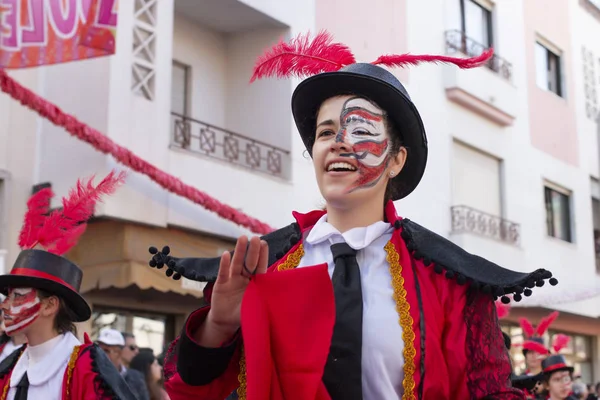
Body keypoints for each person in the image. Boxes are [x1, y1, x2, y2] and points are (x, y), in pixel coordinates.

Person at [148, 31, 558, 400]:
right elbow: (192, 391)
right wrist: (219, 325)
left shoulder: (449, 281)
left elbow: (489, 392)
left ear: (396, 160)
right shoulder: (261, 267)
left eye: (360, 130)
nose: (339, 144)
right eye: (326, 133)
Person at [0, 171, 136, 399]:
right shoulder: (10, 368)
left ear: (49, 305)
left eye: (18, 296)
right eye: (8, 296)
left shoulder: (87, 368)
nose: (5, 306)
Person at [97, 328, 149, 400]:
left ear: (119, 352)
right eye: (98, 350)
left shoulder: (136, 378)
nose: (101, 354)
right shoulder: (91, 374)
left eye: (106, 351)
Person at [519, 311, 560, 399]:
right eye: (530, 352)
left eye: (538, 352)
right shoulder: (518, 380)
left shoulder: (553, 378)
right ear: (525, 355)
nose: (534, 356)